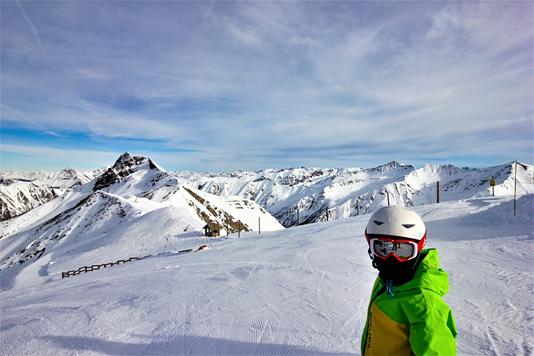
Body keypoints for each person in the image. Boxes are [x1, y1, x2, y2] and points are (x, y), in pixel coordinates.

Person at [361, 206, 457, 355]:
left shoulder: (425, 306)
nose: (392, 258)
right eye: (383, 248)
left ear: (418, 248)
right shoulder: (388, 282)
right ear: (370, 248)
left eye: (403, 250)